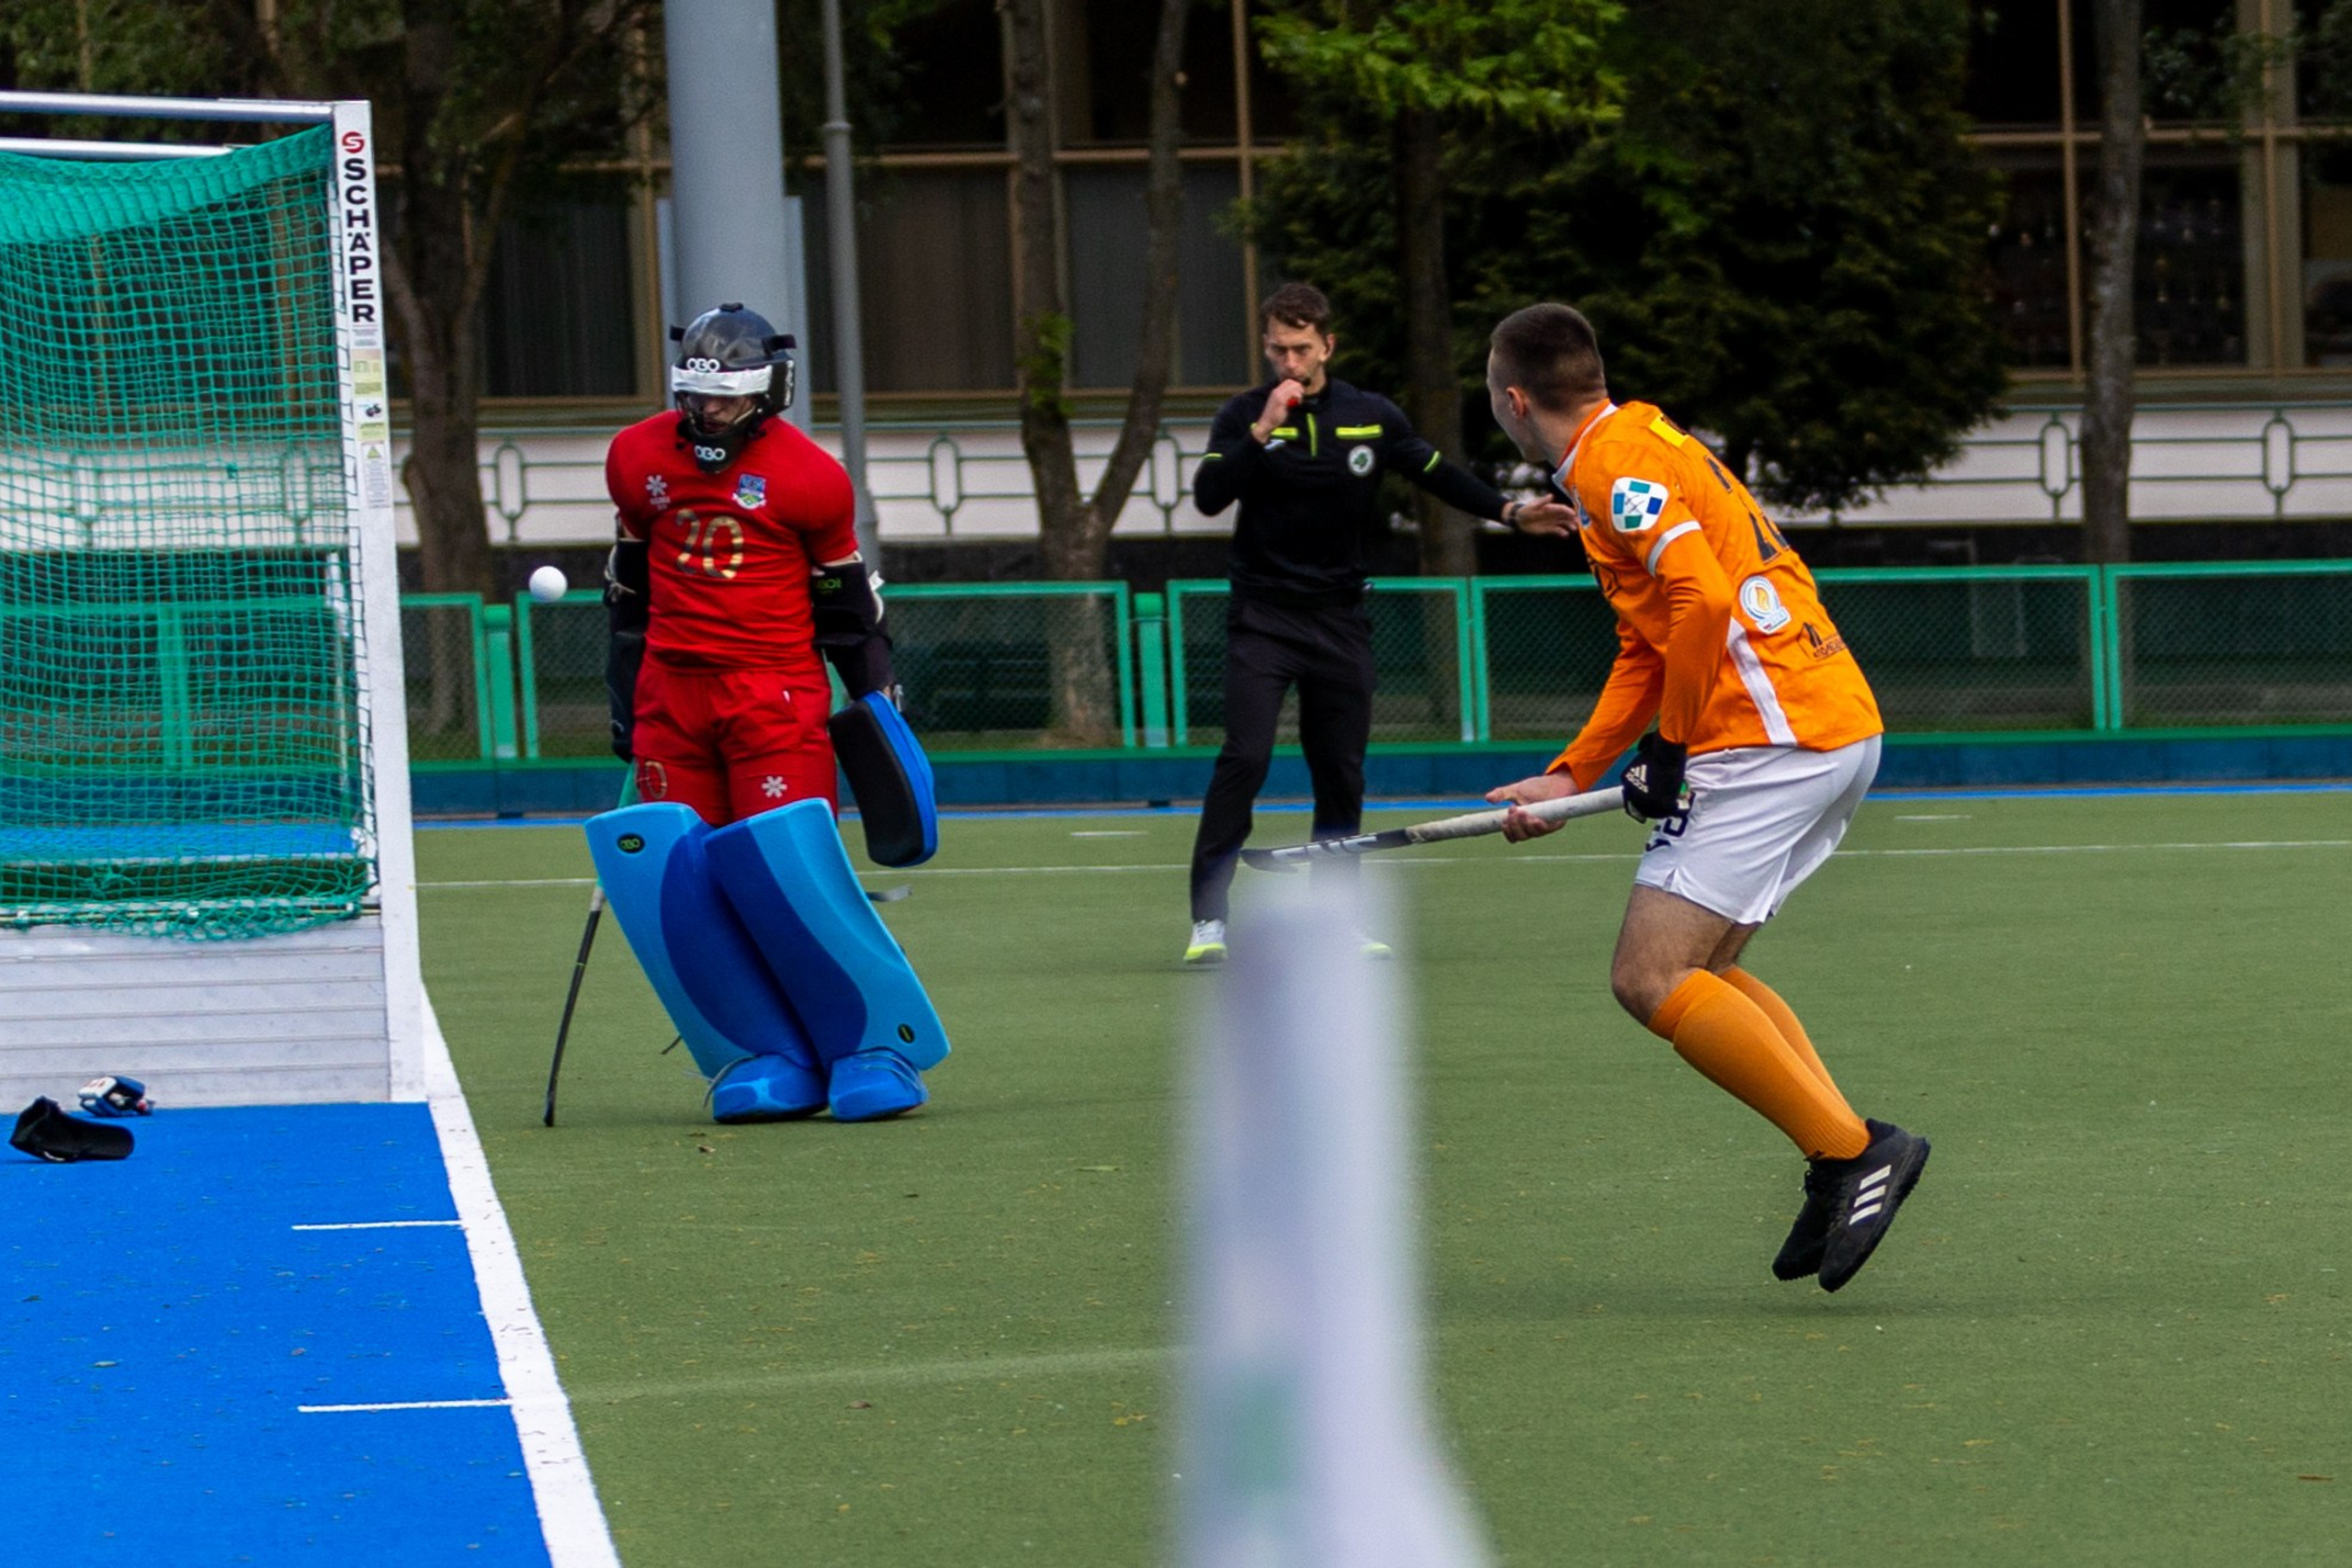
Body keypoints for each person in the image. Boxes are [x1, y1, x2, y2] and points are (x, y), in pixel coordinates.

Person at [1479, 302, 1928, 1293]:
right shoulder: (1636, 440)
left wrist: (1671, 751)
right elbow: (1652, 638)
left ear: (1513, 401)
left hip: (1765, 737)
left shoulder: (1608, 469)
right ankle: (1839, 1155)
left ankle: (1855, 1152)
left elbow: (1706, 603)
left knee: (1648, 975)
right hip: (1824, 722)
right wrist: (1573, 770)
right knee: (1706, 967)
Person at [1183, 282, 1573, 966]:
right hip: (1263, 620)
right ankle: (1209, 921)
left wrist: (1511, 512)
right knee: (1243, 758)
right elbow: (1211, 495)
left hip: (1339, 620)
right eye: (1277, 349)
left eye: (1301, 348)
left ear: (1326, 346)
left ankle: (1335, 919)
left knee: (1341, 773)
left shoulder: (1371, 416)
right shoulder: (1245, 415)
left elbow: (1437, 473)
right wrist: (1264, 424)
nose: (1289, 361)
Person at [604, 302, 896, 826]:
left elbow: (846, 604)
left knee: (779, 868)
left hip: (771, 694)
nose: (708, 408)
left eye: (724, 396)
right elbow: (630, 588)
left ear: (766, 392)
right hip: (669, 692)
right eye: (696, 393)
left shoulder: (812, 476)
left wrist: (875, 695)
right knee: (684, 874)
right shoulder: (634, 454)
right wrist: (625, 692)